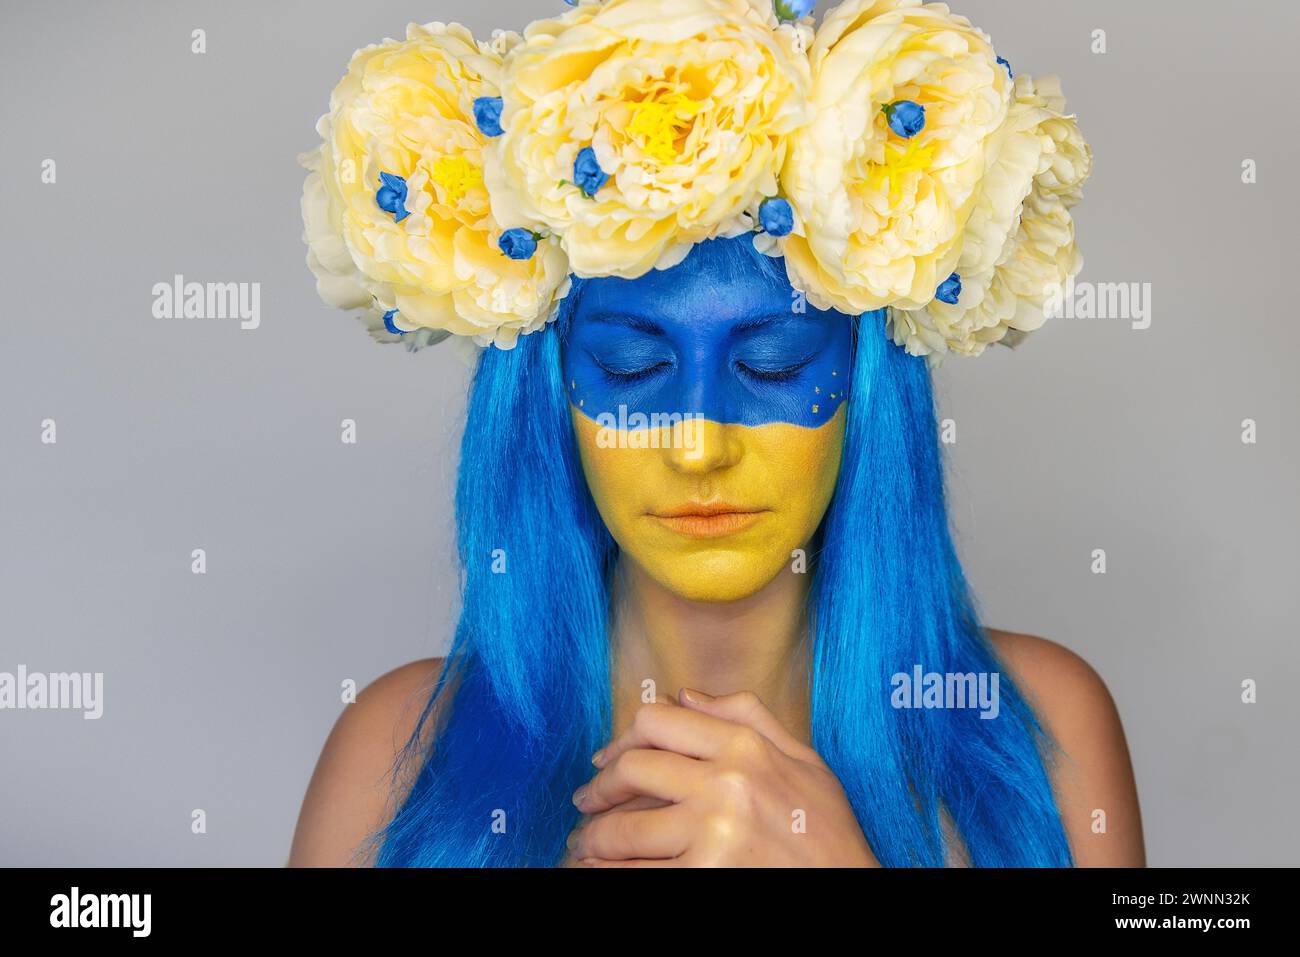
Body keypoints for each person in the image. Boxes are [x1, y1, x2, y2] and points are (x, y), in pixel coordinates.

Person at [289, 0, 1138, 866]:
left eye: (771, 365)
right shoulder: (392, 756)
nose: (698, 446)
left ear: (867, 391)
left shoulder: (1040, 729)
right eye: (628, 369)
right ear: (548, 398)